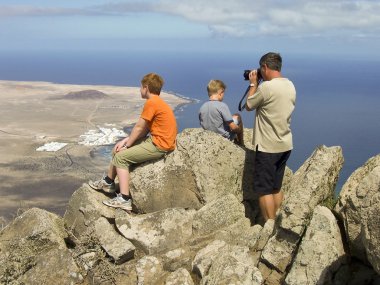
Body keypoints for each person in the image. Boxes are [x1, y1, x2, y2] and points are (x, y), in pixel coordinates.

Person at [88, 73, 177, 211]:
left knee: (121, 157)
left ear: (146, 87)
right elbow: (145, 128)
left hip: (160, 145)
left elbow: (140, 127)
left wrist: (128, 145)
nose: (140, 90)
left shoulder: (152, 103)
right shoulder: (158, 102)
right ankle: (108, 182)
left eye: (141, 87)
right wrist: (125, 141)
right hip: (158, 140)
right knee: (117, 149)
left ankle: (124, 199)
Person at [245, 52, 296, 221]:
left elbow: (249, 105)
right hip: (285, 144)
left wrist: (253, 84)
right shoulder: (290, 85)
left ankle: (270, 227)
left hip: (268, 146)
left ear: (265, 67)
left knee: (264, 190)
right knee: (275, 187)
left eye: (261, 69)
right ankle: (277, 220)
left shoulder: (267, 87)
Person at [199, 79, 244, 145]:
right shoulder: (222, 105)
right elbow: (233, 127)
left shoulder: (202, 107)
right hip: (223, 137)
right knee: (237, 116)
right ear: (220, 92)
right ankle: (240, 143)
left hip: (208, 138)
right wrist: (239, 130)